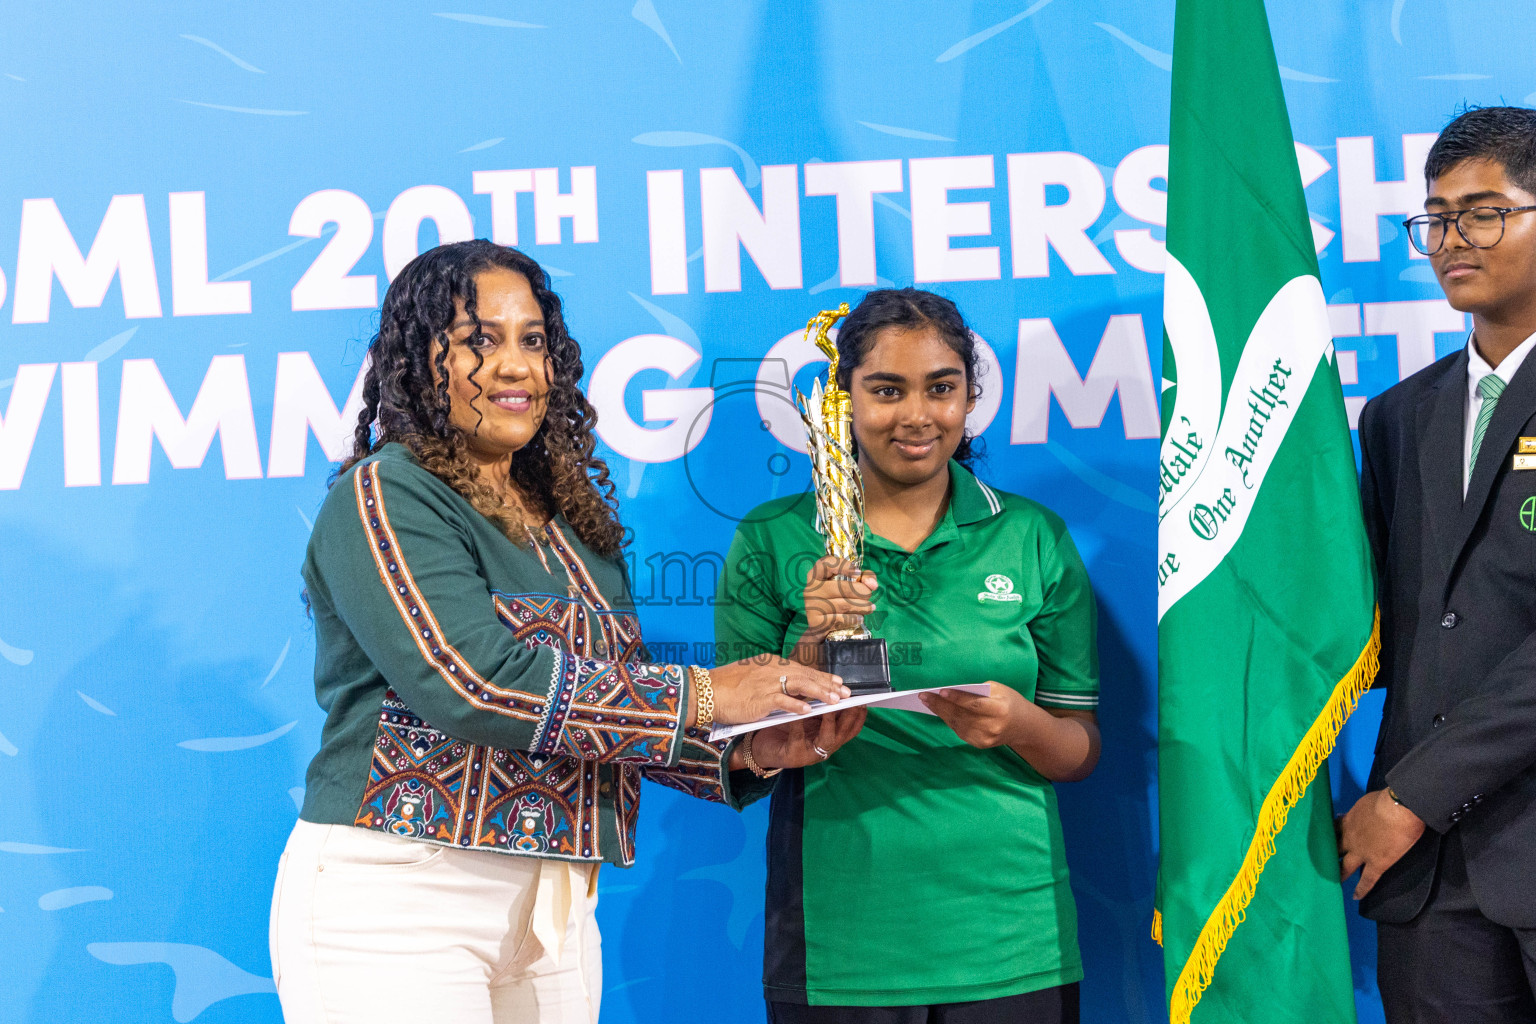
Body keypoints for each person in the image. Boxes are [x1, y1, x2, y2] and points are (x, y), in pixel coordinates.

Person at [269, 239, 866, 1024]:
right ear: (418, 358)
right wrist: (708, 693)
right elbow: (472, 683)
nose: (517, 365)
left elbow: (611, 709)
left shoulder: (571, 522)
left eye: (533, 340)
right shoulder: (388, 493)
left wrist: (749, 747)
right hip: (401, 896)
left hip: (554, 906)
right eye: (481, 340)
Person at [715, 289, 1102, 1024]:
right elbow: (736, 751)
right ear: (843, 399)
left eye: (942, 388)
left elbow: (1078, 749)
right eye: (886, 390)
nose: (917, 415)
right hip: (839, 945)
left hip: (1012, 939)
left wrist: (1019, 724)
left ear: (969, 398)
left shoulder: (1032, 537)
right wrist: (810, 647)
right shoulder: (773, 539)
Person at [1341, 105, 1536, 1023]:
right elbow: (1382, 619)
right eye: (1437, 216)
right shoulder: (1396, 416)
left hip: (1431, 815)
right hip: (1426, 878)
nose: (1453, 238)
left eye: (1486, 210)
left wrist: (1413, 794)